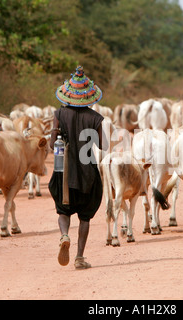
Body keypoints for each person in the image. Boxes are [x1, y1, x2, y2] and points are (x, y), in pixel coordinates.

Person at [49, 66, 107, 270]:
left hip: (62, 170)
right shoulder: (95, 118)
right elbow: (103, 146)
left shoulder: (59, 113)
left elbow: (52, 144)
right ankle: (79, 257)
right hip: (87, 172)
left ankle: (64, 235)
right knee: (85, 216)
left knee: (63, 210)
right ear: (89, 96)